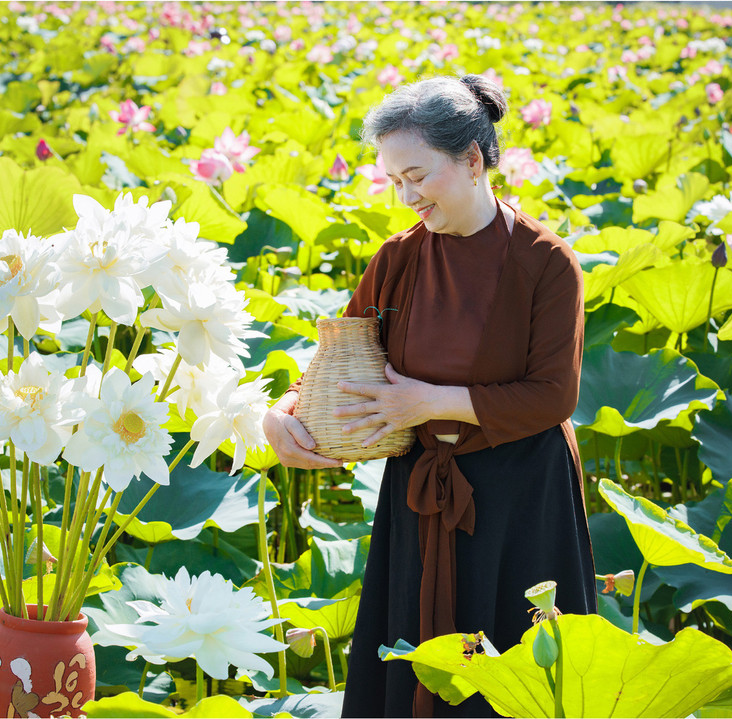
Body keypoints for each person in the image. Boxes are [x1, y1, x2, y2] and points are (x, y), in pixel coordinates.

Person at [262, 74, 596, 718]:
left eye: (417, 176)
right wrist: (283, 412)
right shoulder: (398, 258)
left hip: (520, 496)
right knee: (418, 660)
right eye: (394, 181)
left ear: (472, 160)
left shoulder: (546, 262)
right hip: (419, 493)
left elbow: (553, 396)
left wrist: (428, 402)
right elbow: (339, 355)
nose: (407, 196)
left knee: (512, 674)